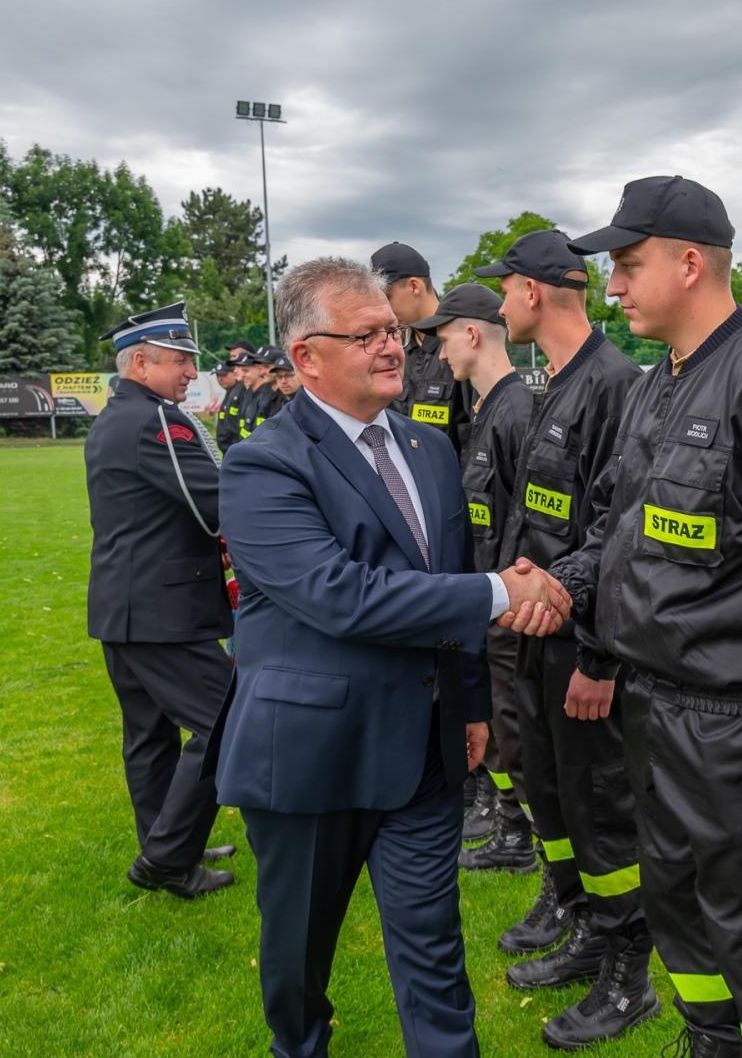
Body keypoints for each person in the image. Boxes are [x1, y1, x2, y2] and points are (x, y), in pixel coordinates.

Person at [209, 257, 572, 1058]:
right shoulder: (264, 463)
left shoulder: (428, 447)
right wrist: (500, 592)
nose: (390, 347)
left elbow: (442, 577)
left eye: (393, 332)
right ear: (306, 357)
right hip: (312, 761)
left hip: (422, 753)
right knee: (298, 957)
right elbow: (341, 596)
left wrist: (470, 703)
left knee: (434, 955)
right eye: (365, 335)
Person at [549, 176, 742, 1057]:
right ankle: (710, 1039)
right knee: (678, 901)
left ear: (690, 263)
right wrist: (555, 588)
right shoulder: (656, 384)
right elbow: (619, 530)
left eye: (628, 265)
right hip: (655, 701)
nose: (614, 287)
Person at [478, 229, 652, 1049]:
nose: (499, 304)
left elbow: (618, 536)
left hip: (580, 645)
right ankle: (580, 920)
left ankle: (629, 973)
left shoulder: (612, 385)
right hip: (534, 638)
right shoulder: (552, 382)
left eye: (504, 288)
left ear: (534, 290)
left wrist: (598, 657)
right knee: (549, 792)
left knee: (602, 810)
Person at [84, 301, 235, 900]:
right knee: (228, 720)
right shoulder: (158, 422)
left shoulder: (117, 415)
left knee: (149, 737)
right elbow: (214, 503)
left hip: (126, 605)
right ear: (141, 364)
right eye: (180, 361)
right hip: (162, 611)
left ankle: (170, 846)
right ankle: (168, 857)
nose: (192, 373)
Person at [413, 283, 537, 874]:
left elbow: (526, 523)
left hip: (509, 608)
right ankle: (510, 826)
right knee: (500, 727)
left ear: (471, 333)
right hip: (486, 602)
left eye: (444, 340)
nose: (440, 356)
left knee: (516, 732)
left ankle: (524, 838)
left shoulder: (516, 410)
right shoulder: (488, 407)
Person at [372, 241, 474, 452]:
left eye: (387, 297)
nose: (384, 309)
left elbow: (477, 437)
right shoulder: (395, 349)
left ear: (414, 286)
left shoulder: (463, 344)